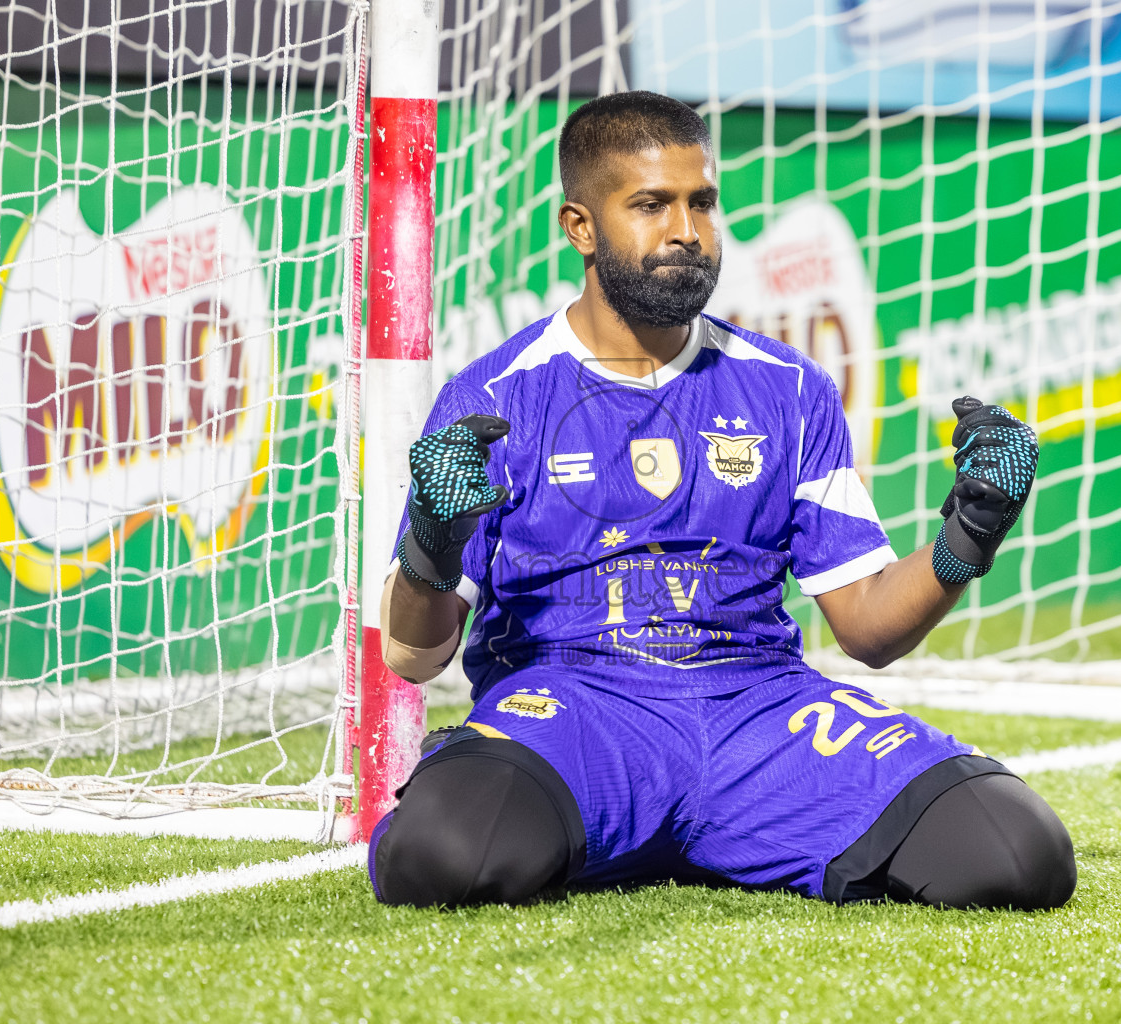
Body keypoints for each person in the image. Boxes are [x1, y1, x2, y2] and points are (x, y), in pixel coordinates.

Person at [368, 91, 1075, 911]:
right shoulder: (493, 396)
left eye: (701, 202)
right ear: (580, 227)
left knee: (1015, 852)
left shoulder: (790, 388)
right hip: (578, 709)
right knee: (443, 855)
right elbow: (411, 656)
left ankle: (703, 827)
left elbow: (870, 629)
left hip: (757, 711)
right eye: (651, 205)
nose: (687, 231)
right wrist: (430, 547)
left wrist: (969, 534)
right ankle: (615, 817)